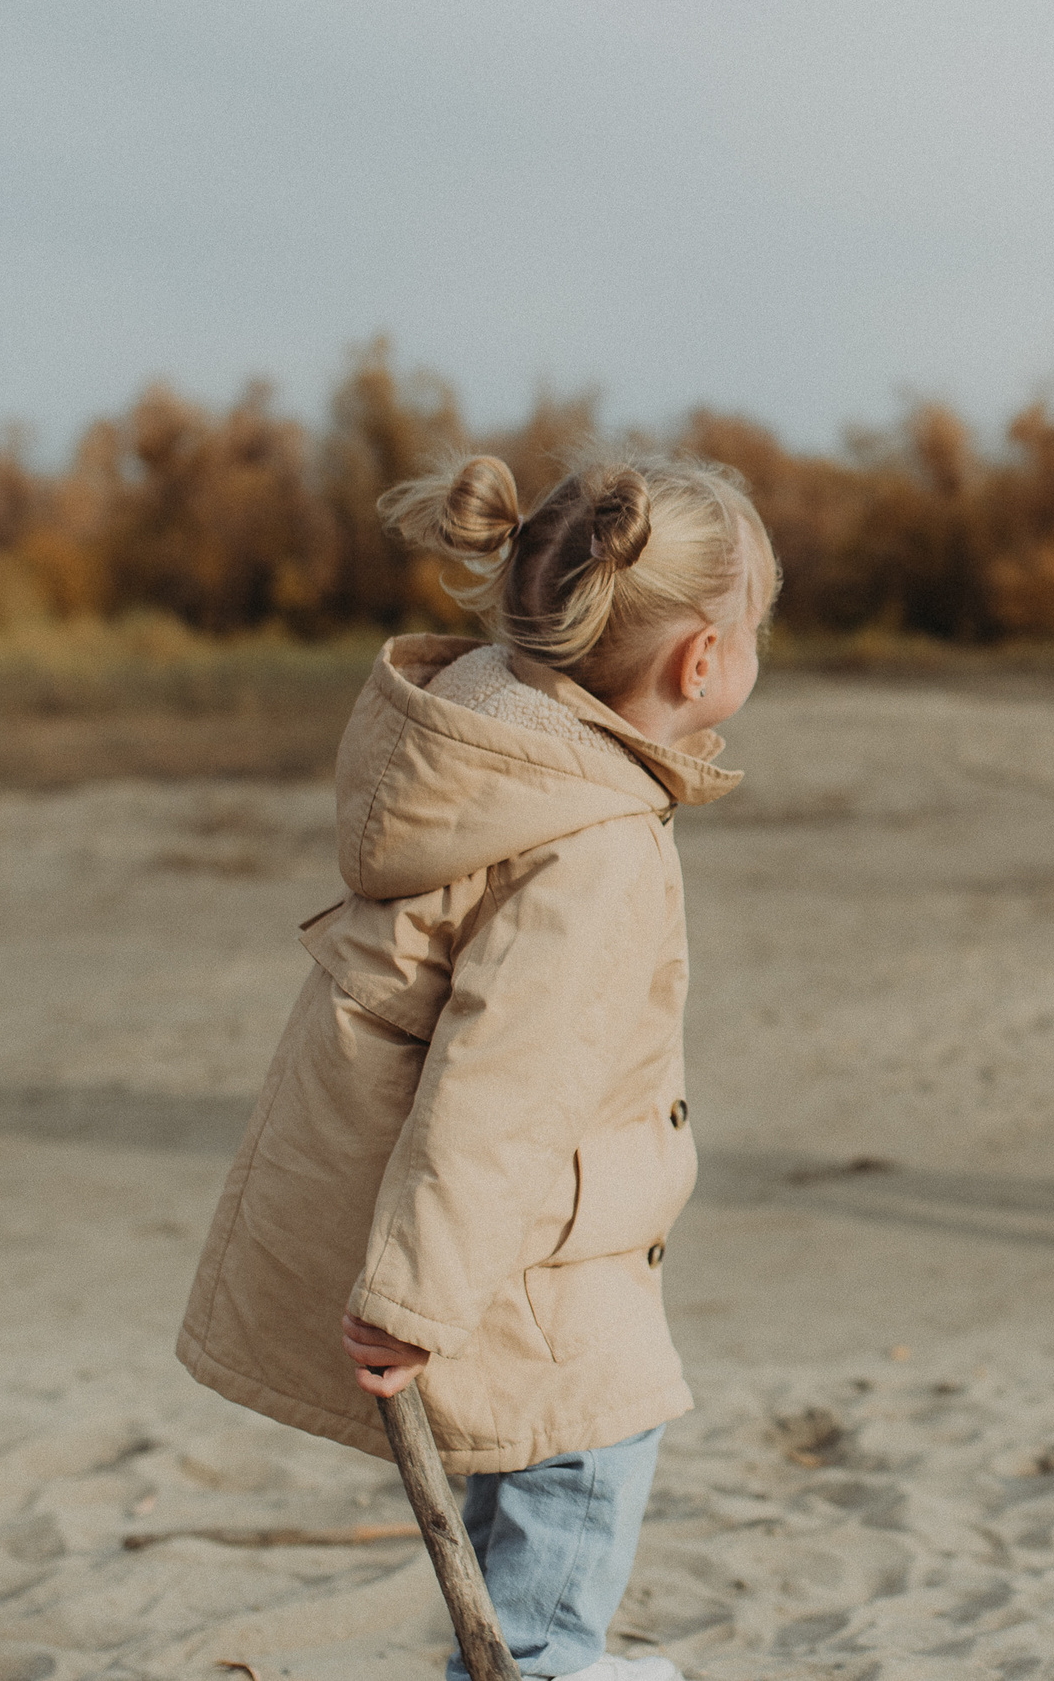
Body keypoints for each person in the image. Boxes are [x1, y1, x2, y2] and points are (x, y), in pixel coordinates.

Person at [176, 450, 778, 1681]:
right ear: (701, 661)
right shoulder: (593, 843)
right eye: (758, 627)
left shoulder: (489, 751)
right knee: (588, 1450)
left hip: (484, 1252)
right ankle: (549, 1667)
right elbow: (498, 1095)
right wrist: (414, 1297)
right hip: (525, 1262)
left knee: (527, 1469)